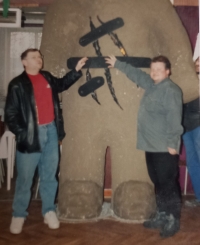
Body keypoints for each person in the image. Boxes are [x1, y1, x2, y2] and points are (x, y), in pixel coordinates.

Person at [5, 48, 87, 234]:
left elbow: (63, 84)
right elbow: (10, 114)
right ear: (24, 62)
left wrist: (76, 70)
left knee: (50, 175)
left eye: (40, 56)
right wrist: (23, 133)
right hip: (31, 135)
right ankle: (19, 214)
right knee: (25, 179)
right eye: (34, 57)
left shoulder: (47, 77)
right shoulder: (17, 85)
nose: (39, 59)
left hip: (51, 132)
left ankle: (49, 210)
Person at [105, 55, 183, 238]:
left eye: (159, 69)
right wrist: (118, 64)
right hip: (151, 145)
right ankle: (163, 214)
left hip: (165, 147)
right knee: (159, 182)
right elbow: (137, 76)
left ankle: (173, 220)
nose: (154, 72)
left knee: (168, 184)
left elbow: (174, 119)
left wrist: (173, 144)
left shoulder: (170, 90)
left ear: (167, 71)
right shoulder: (153, 85)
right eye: (153, 69)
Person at [182, 54, 200, 207]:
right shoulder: (186, 81)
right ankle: (199, 197)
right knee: (192, 162)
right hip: (186, 126)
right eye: (197, 62)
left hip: (199, 124)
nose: (198, 64)